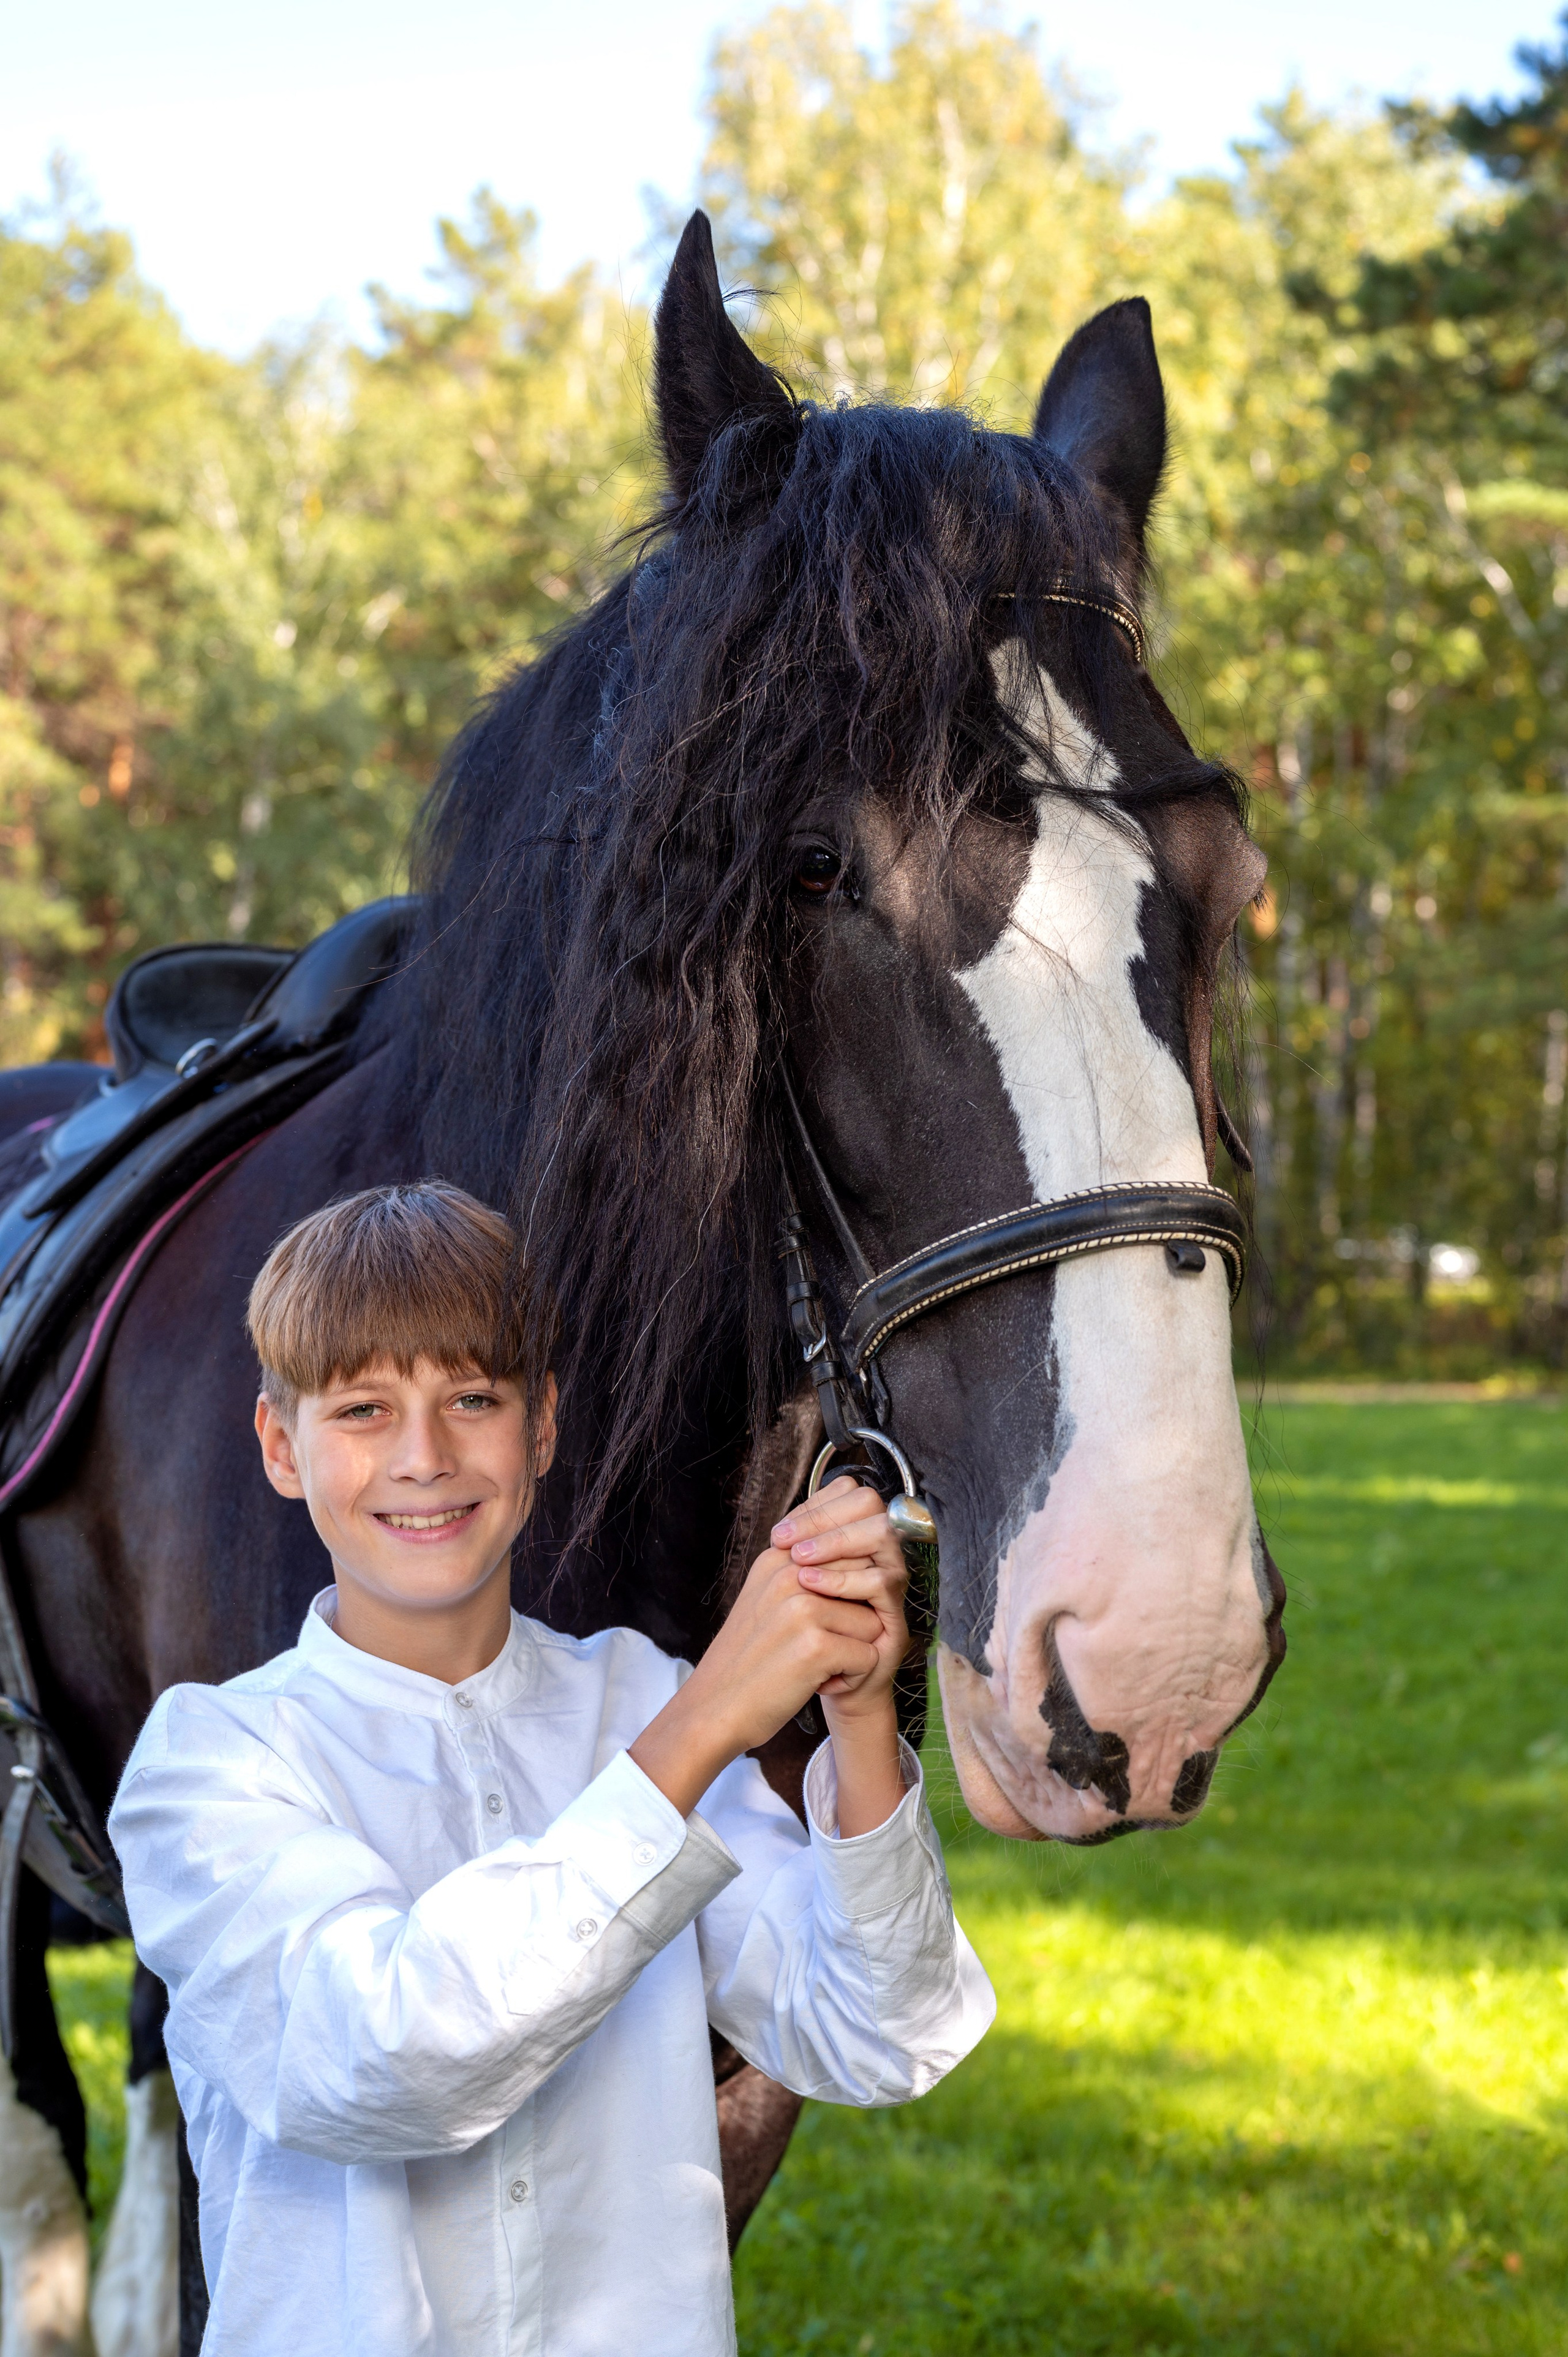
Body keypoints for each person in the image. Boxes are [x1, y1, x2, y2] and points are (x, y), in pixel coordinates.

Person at [110, 1182, 993, 2357]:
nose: (423, 1458)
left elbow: (886, 2033)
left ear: (542, 1431)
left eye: (472, 1398)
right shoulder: (209, 1761)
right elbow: (388, 2061)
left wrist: (861, 1710)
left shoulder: (637, 1696)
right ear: (283, 1446)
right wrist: (710, 1718)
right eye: (365, 1409)